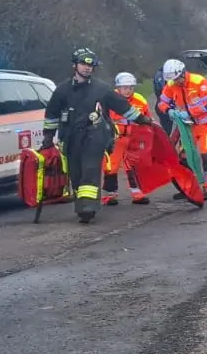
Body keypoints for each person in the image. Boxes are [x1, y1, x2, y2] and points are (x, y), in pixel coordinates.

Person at [42, 49, 154, 224]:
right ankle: (82, 204)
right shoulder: (62, 90)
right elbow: (51, 115)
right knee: (76, 174)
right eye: (84, 64)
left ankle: (88, 207)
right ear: (75, 66)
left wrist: (143, 119)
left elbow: (123, 107)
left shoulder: (101, 89)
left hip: (94, 135)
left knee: (90, 170)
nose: (87, 68)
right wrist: (48, 138)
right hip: (70, 138)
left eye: (91, 65)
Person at [156, 57, 207, 198]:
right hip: (187, 126)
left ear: (183, 73)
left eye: (178, 78)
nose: (177, 82)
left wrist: (190, 113)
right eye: (174, 80)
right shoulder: (171, 84)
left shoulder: (199, 81)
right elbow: (162, 102)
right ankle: (190, 187)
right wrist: (169, 111)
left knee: (206, 153)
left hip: (206, 123)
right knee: (184, 155)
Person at [101, 72, 152, 205]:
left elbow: (147, 118)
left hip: (134, 138)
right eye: (125, 87)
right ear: (118, 87)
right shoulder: (109, 99)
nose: (128, 90)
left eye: (130, 87)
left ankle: (137, 193)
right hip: (116, 138)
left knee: (134, 165)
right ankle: (110, 195)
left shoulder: (140, 100)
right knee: (111, 166)